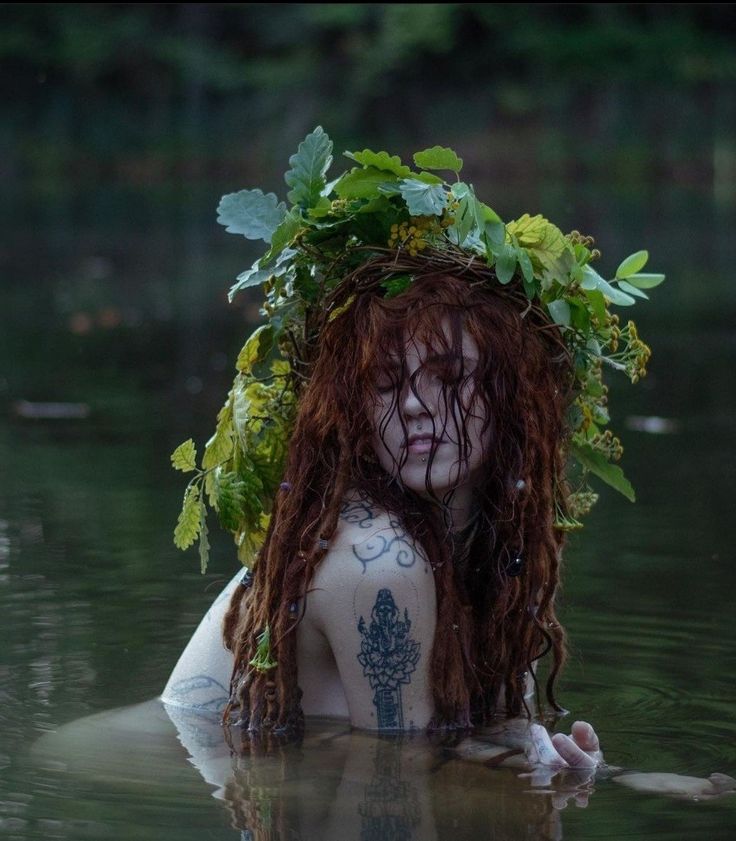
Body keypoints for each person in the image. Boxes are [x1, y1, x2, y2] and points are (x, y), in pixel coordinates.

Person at [164, 127, 661, 773]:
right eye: (387, 383)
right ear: (351, 409)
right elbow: (400, 783)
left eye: (452, 377)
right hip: (145, 768)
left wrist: (617, 777)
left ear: (512, 396)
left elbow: (473, 745)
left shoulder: (492, 544)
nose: (419, 405)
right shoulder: (381, 561)